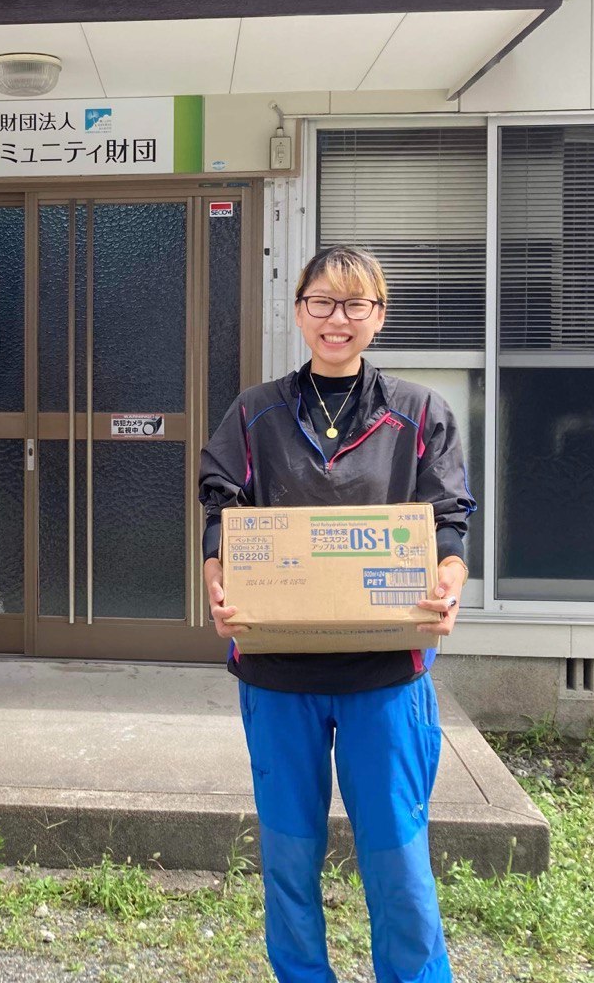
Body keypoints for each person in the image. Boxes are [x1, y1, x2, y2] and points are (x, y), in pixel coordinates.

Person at [198, 244, 474, 983]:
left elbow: (448, 523)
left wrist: (448, 580)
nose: (337, 318)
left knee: (398, 859)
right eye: (321, 302)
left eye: (355, 304)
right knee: (289, 858)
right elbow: (222, 513)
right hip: (277, 671)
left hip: (385, 673)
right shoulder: (255, 412)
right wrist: (217, 581)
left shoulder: (419, 413)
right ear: (298, 312)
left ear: (379, 316)